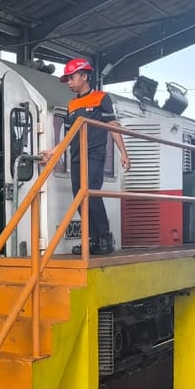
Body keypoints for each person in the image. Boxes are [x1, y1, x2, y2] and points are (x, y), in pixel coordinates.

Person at [42, 58, 131, 255]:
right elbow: (69, 134)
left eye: (72, 78)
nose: (69, 83)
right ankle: (92, 239)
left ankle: (105, 236)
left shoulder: (101, 98)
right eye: (67, 80)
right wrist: (53, 151)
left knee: (90, 192)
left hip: (94, 154)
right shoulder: (72, 105)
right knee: (79, 197)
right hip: (76, 157)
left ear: (84, 76)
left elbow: (113, 126)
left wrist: (123, 152)